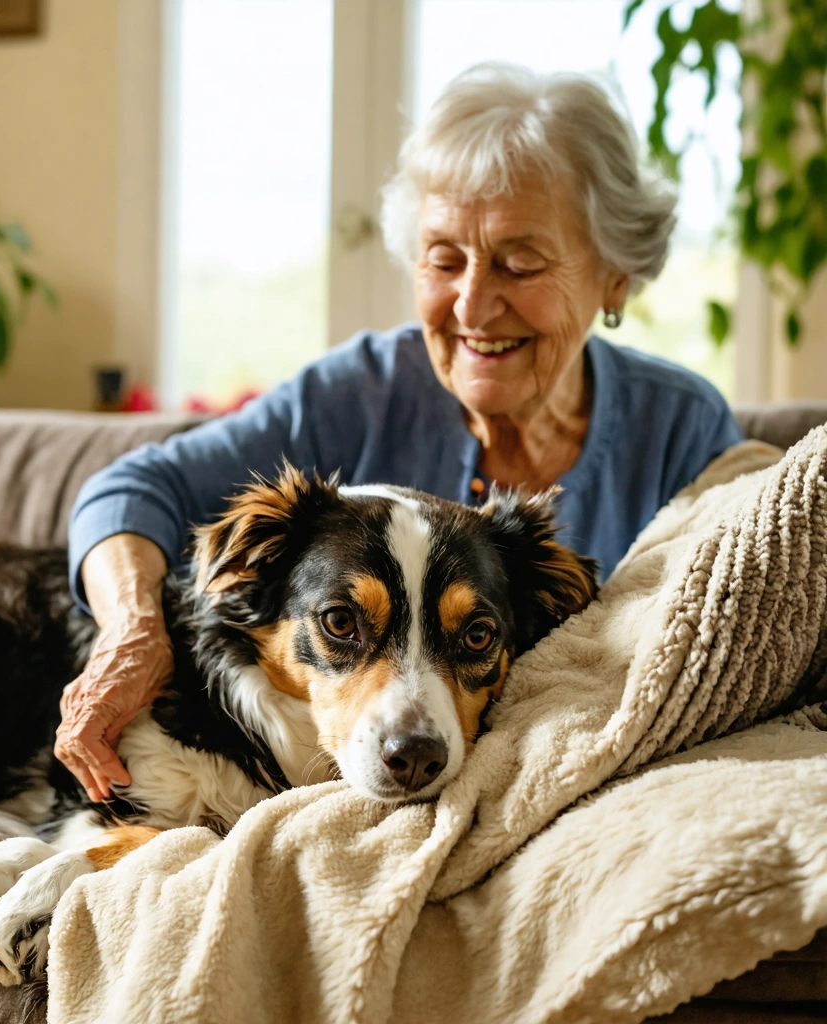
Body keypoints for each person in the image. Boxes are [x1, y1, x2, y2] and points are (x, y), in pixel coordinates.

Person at [56, 62, 744, 801]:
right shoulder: (358, 392)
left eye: (520, 262)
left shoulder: (681, 427)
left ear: (616, 276)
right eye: (444, 258)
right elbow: (131, 488)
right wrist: (132, 633)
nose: (474, 305)